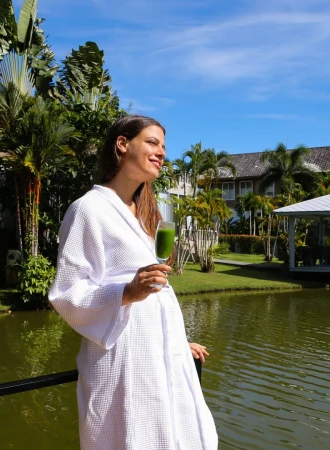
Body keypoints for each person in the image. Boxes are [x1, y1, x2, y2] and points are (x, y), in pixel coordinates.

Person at [49, 115, 218, 449]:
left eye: (164, 147)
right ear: (122, 145)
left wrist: (174, 343)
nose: (161, 153)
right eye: (152, 143)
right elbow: (67, 293)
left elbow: (155, 297)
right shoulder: (87, 210)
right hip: (122, 360)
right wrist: (126, 291)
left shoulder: (141, 216)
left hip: (157, 353)